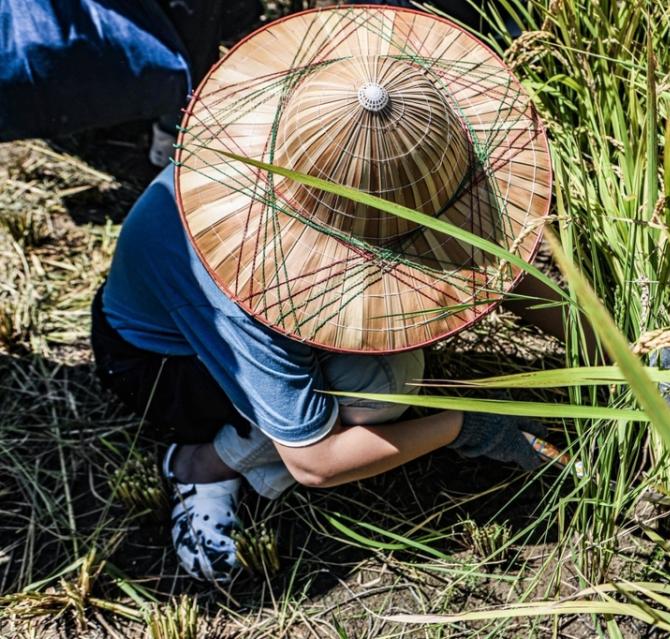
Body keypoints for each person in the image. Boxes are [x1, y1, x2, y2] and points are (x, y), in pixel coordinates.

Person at [91, 5, 557, 583]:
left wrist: (614, 345)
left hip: (223, 309)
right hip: (163, 364)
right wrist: (460, 426)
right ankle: (203, 463)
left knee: (388, 361)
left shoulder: (358, 155)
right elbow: (313, 464)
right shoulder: (244, 272)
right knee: (384, 387)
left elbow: (488, 258)